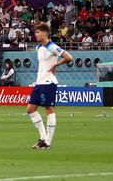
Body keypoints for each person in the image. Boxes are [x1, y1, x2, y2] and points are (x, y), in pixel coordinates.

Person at [26, 22, 73, 150]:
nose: (36, 34)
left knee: (49, 109)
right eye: (35, 32)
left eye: (38, 32)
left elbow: (69, 57)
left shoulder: (52, 46)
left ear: (45, 33)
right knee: (30, 109)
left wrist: (55, 65)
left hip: (49, 82)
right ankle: (42, 138)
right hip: (39, 82)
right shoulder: (38, 47)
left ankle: (48, 142)